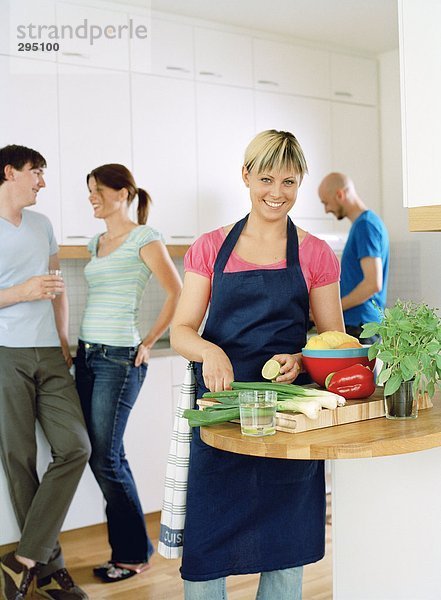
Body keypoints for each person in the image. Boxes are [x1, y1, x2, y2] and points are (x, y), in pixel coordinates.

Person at [171, 130, 345, 599]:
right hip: (222, 412)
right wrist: (210, 350)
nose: (276, 192)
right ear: (245, 176)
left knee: (285, 551)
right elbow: (181, 329)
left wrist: (303, 358)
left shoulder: (315, 253)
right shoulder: (211, 247)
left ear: (300, 182)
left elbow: (334, 344)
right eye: (266, 178)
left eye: (289, 181)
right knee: (206, 552)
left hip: (287, 418)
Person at [74, 163, 182, 583]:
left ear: (123, 193)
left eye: (98, 189)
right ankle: (133, 548)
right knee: (103, 456)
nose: (92, 198)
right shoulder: (94, 242)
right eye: (90, 191)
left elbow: (177, 291)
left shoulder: (144, 237)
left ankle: (134, 553)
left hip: (120, 358)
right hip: (86, 355)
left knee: (106, 457)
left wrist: (150, 339)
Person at [0, 144, 91, 600]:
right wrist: (21, 292)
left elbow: (56, 288)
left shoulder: (42, 225)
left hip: (50, 353)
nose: (42, 182)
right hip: (4, 354)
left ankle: (23, 559)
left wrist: (62, 336)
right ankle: (50, 570)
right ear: (9, 172)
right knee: (19, 462)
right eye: (36, 172)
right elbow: (30, 288)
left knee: (75, 446)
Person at [318, 172, 389, 342]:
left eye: (326, 202)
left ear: (340, 194)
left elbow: (373, 283)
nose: (326, 209)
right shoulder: (365, 224)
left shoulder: (365, 226)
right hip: (361, 324)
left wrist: (333, 310)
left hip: (361, 325)